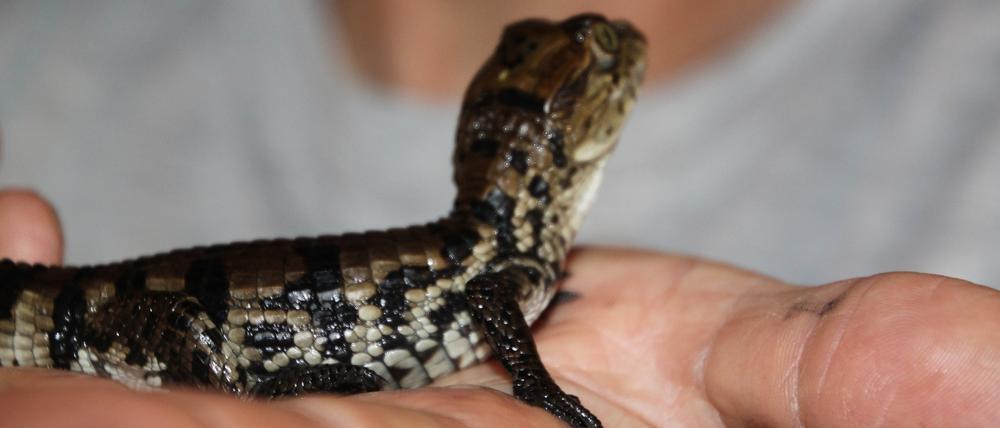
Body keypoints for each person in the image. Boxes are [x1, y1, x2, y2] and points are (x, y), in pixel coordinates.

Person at [1, 1, 999, 426]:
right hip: (117, 314)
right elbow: (488, 306)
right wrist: (538, 388)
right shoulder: (502, 265)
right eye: (598, 66)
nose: (614, 50)